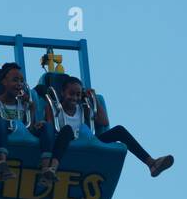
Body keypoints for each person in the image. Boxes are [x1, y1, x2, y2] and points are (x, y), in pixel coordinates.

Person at [44, 75, 174, 178]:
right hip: (63, 141)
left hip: (85, 141)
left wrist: (93, 99)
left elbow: (104, 122)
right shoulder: (55, 108)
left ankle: (151, 163)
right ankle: (53, 168)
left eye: (78, 94)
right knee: (67, 130)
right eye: (71, 94)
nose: (75, 97)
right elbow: (49, 127)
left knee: (119, 130)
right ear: (62, 93)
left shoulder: (83, 108)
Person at [0, 62, 69, 191]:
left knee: (47, 126)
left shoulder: (24, 104)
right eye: (15, 80)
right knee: (0, 123)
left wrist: (32, 109)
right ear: (4, 82)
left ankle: (46, 168)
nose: (19, 84)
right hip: (3, 132)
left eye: (21, 81)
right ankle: (2, 163)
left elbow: (29, 127)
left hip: (23, 133)